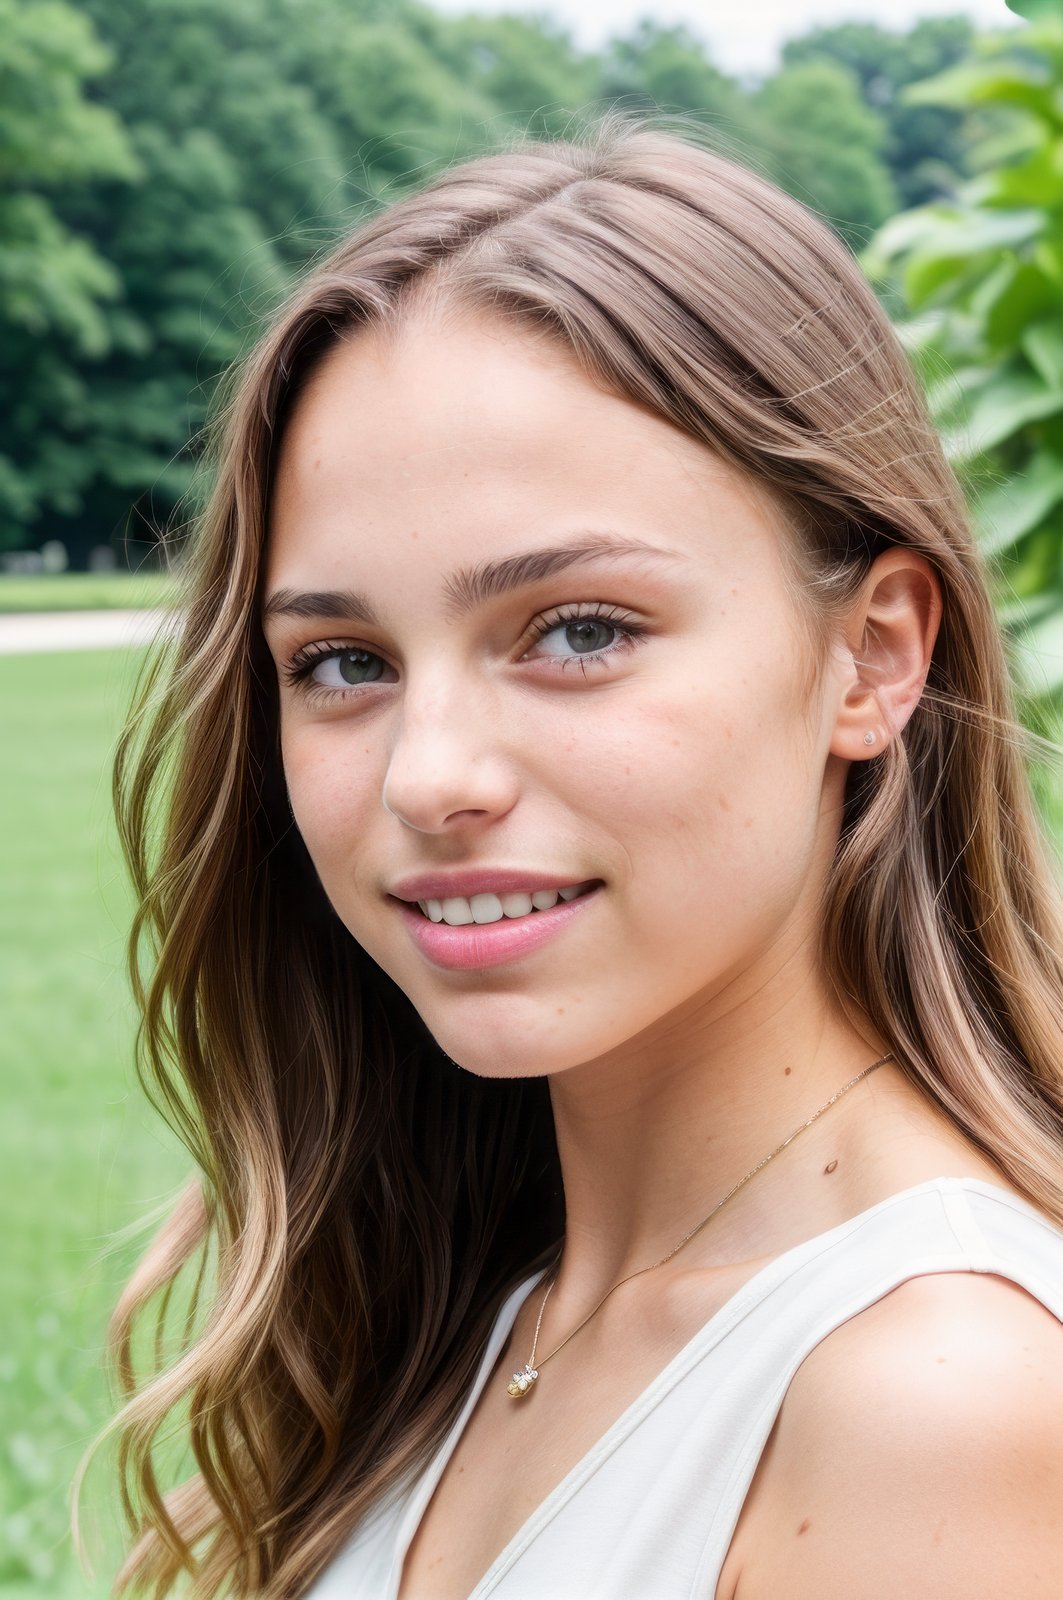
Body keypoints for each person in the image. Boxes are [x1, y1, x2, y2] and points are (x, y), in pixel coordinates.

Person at [85, 112, 1063, 1598]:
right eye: (343, 661)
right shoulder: (474, 1303)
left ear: (872, 658)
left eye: (580, 632)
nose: (432, 778)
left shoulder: (934, 1390)